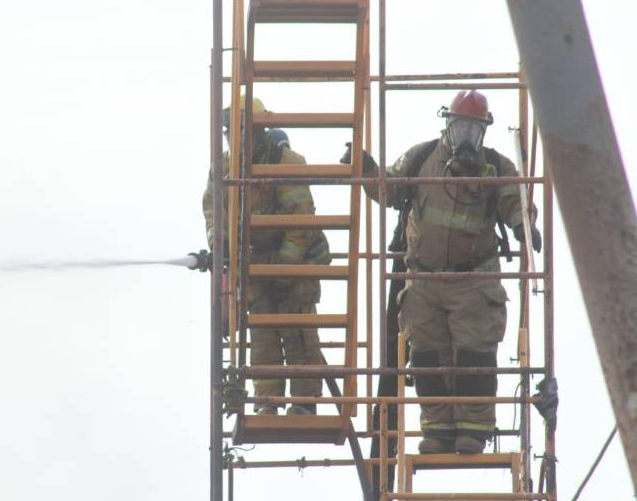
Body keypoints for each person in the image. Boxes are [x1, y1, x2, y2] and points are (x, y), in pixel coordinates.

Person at [353, 90, 541, 454]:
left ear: (483, 130)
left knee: (474, 356)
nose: (466, 136)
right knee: (426, 357)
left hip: (474, 280)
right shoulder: (421, 158)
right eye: (461, 127)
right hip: (424, 281)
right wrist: (366, 172)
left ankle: (473, 431)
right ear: (449, 125)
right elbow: (389, 191)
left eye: (473, 128)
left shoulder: (497, 167)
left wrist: (523, 226)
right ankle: (437, 431)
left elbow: (515, 202)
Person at [203, 96, 330, 416]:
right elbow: (213, 211)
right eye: (231, 129)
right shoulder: (222, 167)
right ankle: (268, 402)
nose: (236, 136)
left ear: (258, 130)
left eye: (243, 128)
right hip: (255, 263)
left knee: (298, 332)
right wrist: (222, 248)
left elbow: (301, 221)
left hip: (296, 261)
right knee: (262, 336)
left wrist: (285, 268)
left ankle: (304, 402)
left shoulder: (287, 162)